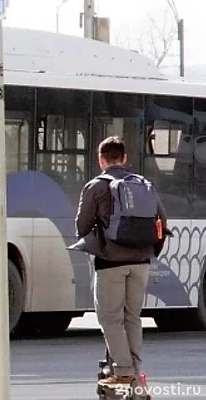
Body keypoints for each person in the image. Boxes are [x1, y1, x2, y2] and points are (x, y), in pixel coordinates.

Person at [74, 136, 168, 387]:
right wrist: (149, 252)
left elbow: (82, 226)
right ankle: (135, 372)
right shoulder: (144, 184)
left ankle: (123, 371)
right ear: (125, 158)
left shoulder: (96, 186)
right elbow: (162, 220)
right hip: (141, 261)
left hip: (111, 263)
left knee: (110, 318)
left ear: (101, 160)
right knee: (133, 317)